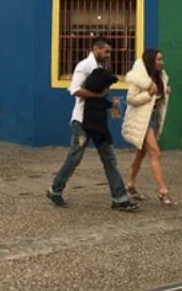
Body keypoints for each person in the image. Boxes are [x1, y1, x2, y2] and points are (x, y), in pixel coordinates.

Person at [46, 38, 139, 212]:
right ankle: (55, 190)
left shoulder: (101, 69)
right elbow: (74, 90)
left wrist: (109, 104)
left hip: (97, 121)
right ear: (96, 49)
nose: (108, 55)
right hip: (82, 121)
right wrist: (97, 97)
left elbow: (100, 96)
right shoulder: (84, 66)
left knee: (109, 159)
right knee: (74, 158)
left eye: (110, 52)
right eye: (106, 51)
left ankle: (119, 198)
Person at [122, 49, 175, 206]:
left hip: (153, 119)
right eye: (158, 59)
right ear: (151, 60)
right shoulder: (139, 78)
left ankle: (130, 184)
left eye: (162, 59)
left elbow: (158, 97)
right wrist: (148, 95)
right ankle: (162, 190)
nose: (161, 62)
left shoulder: (160, 76)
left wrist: (164, 92)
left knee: (141, 153)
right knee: (155, 153)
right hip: (142, 120)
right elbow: (130, 99)